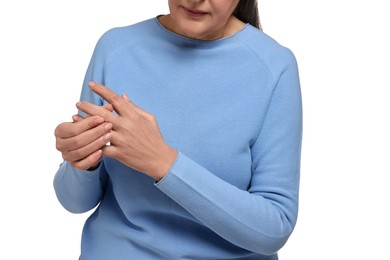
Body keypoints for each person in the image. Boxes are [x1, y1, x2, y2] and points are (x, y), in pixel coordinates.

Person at [53, 0, 302, 259]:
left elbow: (274, 229)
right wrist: (81, 161)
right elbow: (74, 202)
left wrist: (163, 162)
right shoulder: (115, 48)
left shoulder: (273, 66)